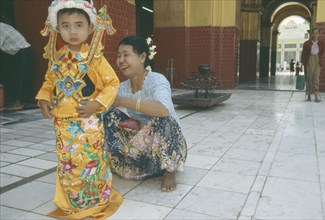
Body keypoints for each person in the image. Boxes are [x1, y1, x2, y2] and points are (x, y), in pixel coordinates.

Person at [35, 0, 123, 219]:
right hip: (63, 125)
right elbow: (49, 82)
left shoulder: (95, 57)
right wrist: (44, 98)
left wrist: (97, 104)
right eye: (65, 25)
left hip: (88, 123)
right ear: (57, 27)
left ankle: (95, 199)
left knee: (90, 161)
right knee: (68, 163)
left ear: (90, 28)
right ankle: (71, 199)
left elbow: (112, 83)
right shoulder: (57, 57)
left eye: (78, 25)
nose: (72, 31)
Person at [103, 36, 187, 192]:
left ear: (142, 57)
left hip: (167, 142)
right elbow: (103, 106)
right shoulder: (122, 87)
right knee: (109, 116)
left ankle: (169, 170)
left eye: (126, 55)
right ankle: (128, 164)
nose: (121, 60)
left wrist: (124, 101)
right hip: (143, 142)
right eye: (118, 55)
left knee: (163, 119)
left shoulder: (157, 80)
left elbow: (163, 109)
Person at [0, 22, 32, 110]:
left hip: (21, 52)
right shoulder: (3, 26)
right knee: (14, 76)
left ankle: (18, 103)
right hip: (14, 53)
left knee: (19, 77)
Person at [301, 27, 325, 102]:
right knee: (309, 77)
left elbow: (322, 52)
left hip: (317, 60)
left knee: (316, 77)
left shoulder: (321, 43)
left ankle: (316, 96)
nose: (315, 35)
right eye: (314, 33)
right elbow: (304, 53)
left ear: (319, 34)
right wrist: (303, 62)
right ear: (311, 34)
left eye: (317, 33)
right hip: (309, 60)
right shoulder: (307, 43)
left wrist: (319, 59)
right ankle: (308, 95)